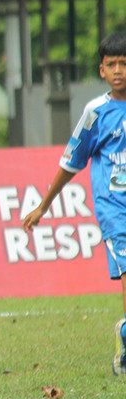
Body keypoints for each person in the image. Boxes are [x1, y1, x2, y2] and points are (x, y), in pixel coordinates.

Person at [23, 31, 126, 377]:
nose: (118, 71)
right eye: (111, 65)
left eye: (124, 64)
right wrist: (43, 206)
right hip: (115, 209)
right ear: (101, 70)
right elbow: (70, 162)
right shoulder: (95, 113)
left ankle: (124, 335)